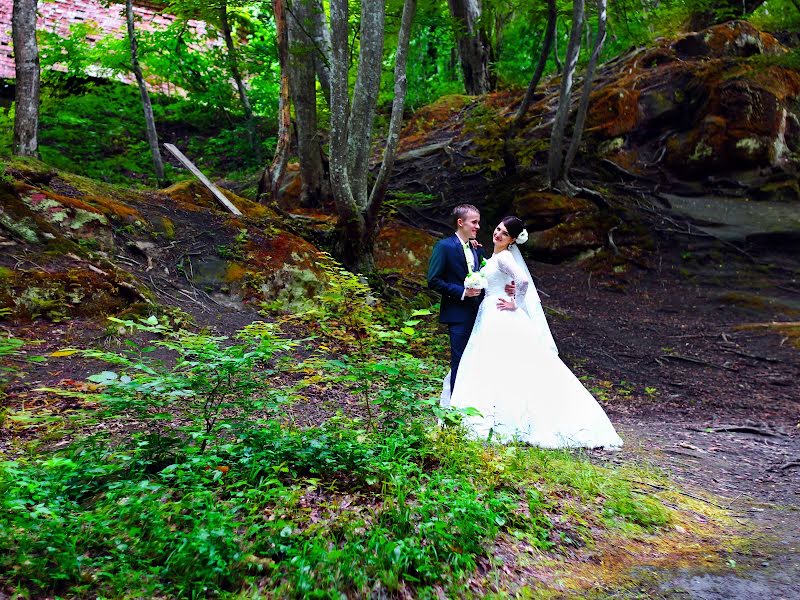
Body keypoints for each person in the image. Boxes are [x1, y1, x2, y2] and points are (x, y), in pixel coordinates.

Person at [445, 216, 624, 450]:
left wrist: (515, 303)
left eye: (505, 234)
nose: (498, 234)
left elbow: (522, 281)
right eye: (498, 229)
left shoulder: (506, 257)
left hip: (500, 315)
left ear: (511, 241)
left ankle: (507, 419)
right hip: (488, 314)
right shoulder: (494, 258)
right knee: (492, 364)